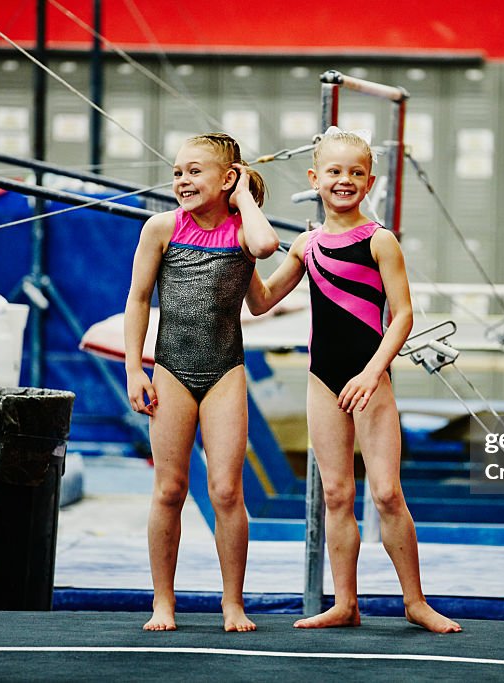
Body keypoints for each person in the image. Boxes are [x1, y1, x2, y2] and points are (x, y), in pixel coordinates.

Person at [246, 129, 461, 633]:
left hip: (370, 378)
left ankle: (415, 602)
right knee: (337, 494)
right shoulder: (307, 243)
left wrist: (372, 372)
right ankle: (345, 603)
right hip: (322, 379)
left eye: (355, 173)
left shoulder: (379, 240)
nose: (345, 181)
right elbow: (260, 302)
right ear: (314, 177)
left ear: (369, 181)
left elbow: (404, 316)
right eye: (335, 172)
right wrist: (242, 241)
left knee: (386, 493)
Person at [124, 133, 280, 632]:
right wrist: (134, 367)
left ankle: (232, 602)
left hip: (224, 372)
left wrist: (243, 200)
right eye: (177, 172)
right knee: (169, 489)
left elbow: (265, 246)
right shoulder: (161, 228)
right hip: (170, 370)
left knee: (226, 491)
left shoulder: (242, 231)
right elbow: (138, 299)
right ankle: (162, 601)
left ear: (227, 178)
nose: (182, 181)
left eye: (195, 171)